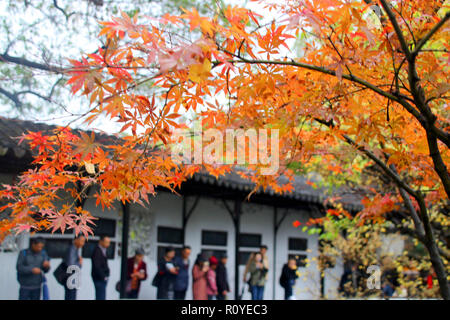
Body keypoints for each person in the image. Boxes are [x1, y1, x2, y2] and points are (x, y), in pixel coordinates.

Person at [63, 234, 86, 300]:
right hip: (70, 280)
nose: (83, 243)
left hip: (72, 280)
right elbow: (71, 266)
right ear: (76, 240)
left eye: (84, 241)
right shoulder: (72, 249)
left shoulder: (75, 249)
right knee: (70, 297)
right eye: (81, 241)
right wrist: (80, 263)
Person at [91, 235, 111, 300]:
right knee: (100, 297)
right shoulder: (97, 251)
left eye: (109, 242)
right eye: (106, 242)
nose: (108, 244)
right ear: (101, 241)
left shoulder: (103, 250)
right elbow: (97, 266)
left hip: (102, 278)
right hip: (99, 278)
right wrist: (103, 276)